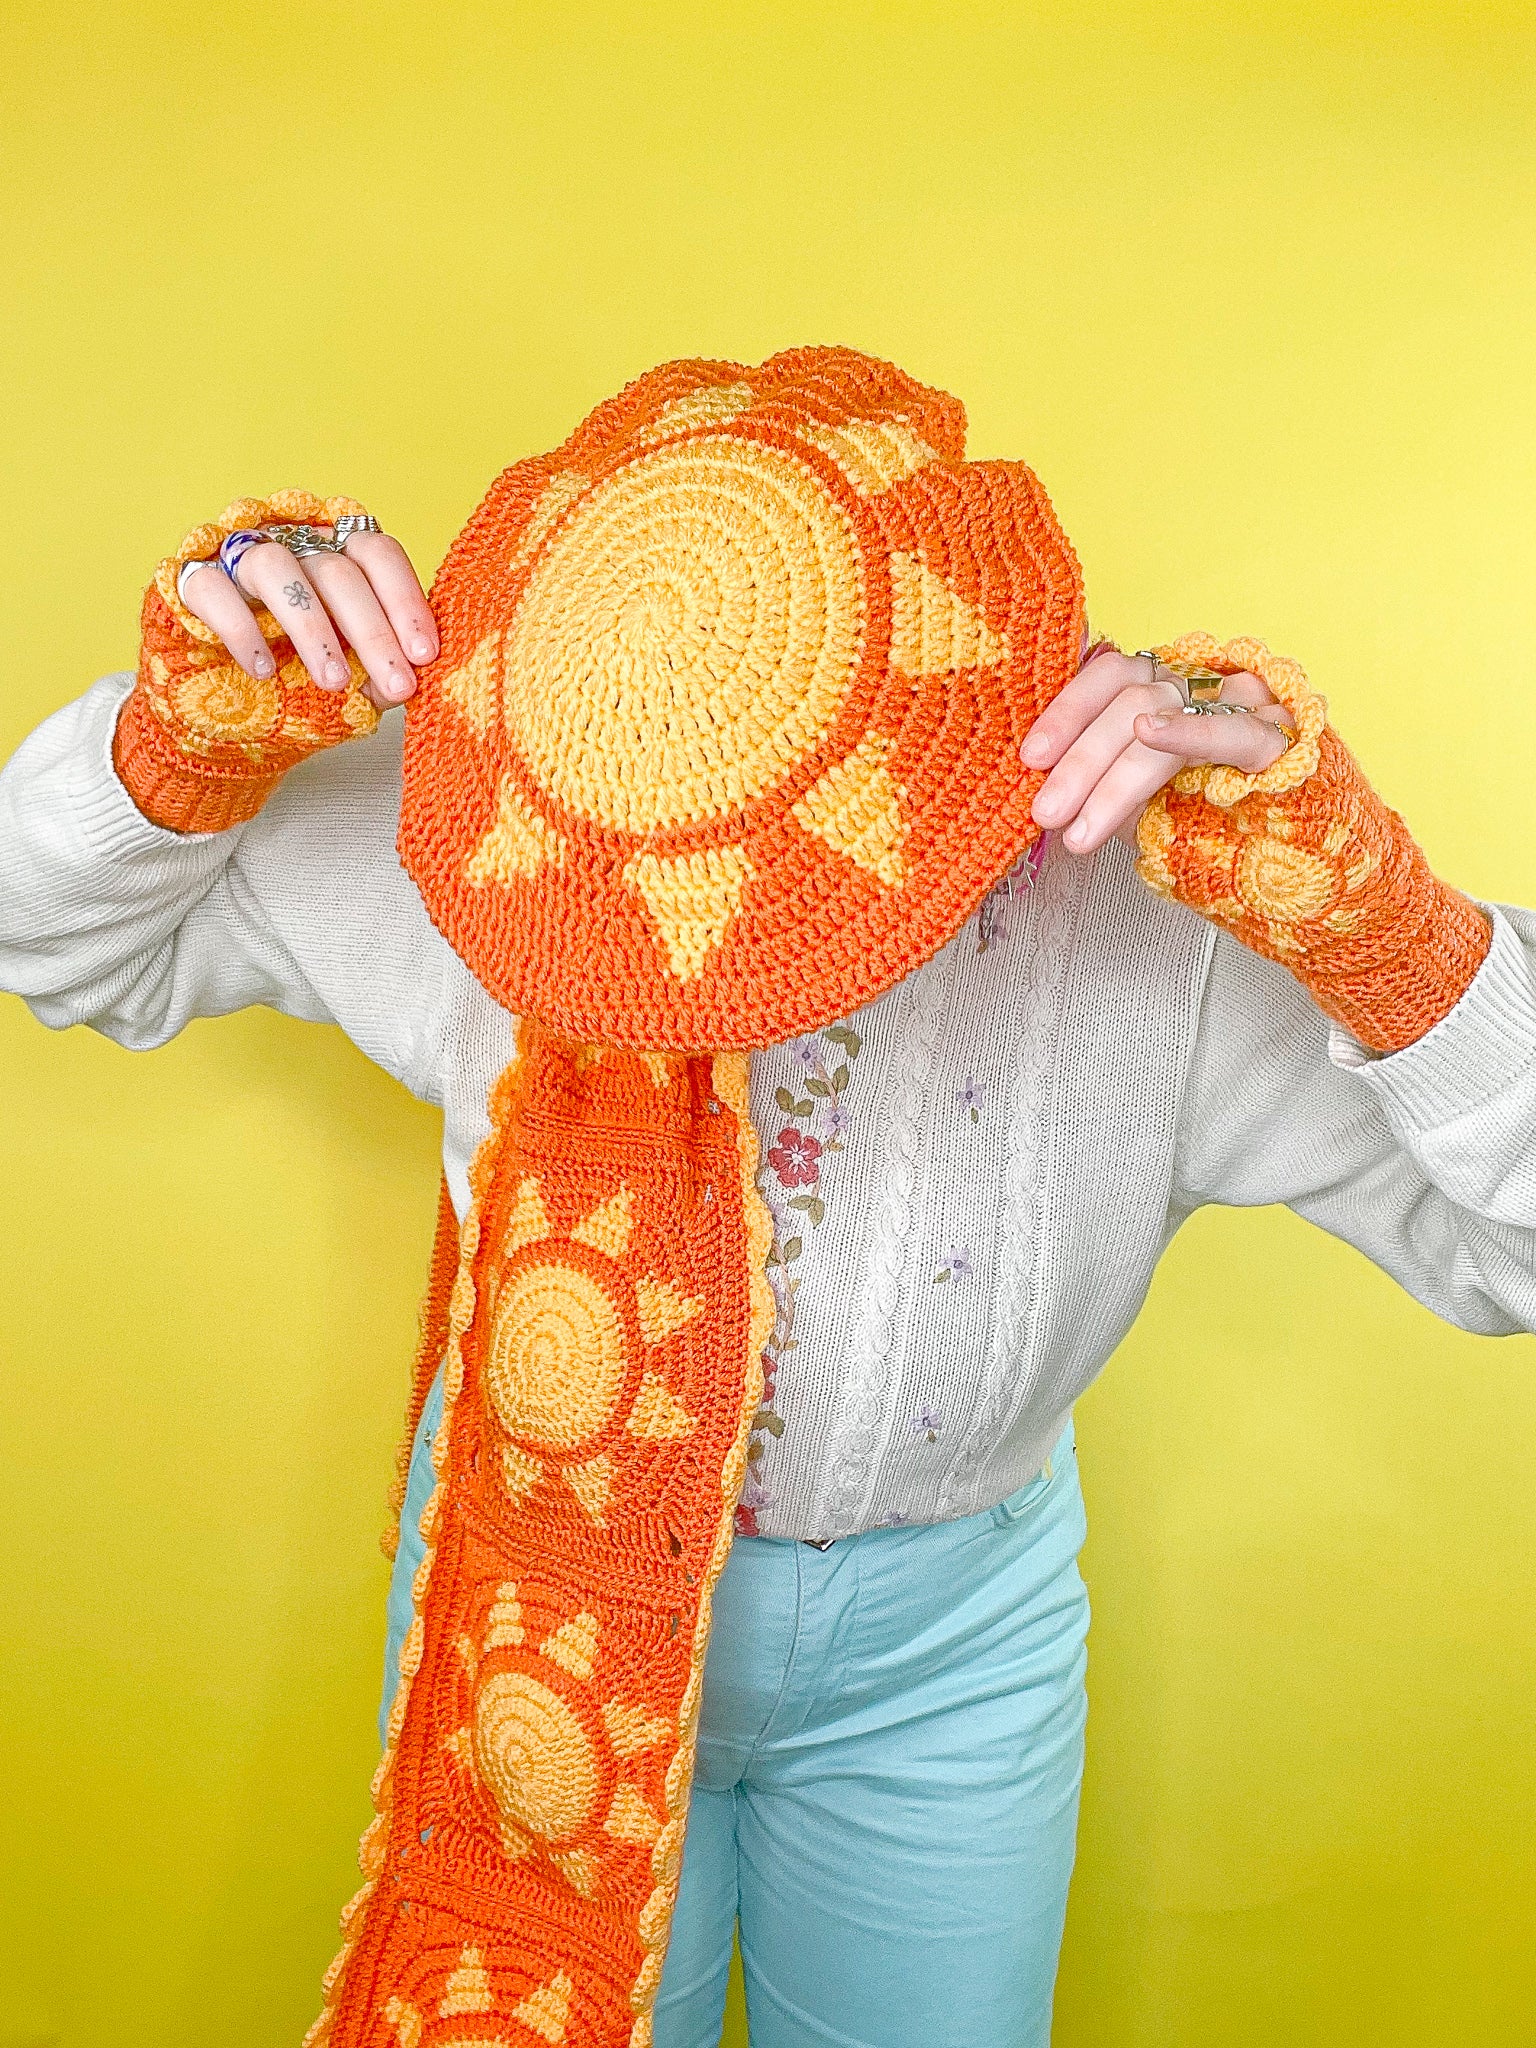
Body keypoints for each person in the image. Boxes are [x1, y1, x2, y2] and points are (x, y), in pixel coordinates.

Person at [2, 347, 1533, 2048]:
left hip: (953, 1651)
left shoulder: (1156, 911)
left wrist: (1391, 936)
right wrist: (180, 744)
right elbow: (55, 941)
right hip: (533, 1595)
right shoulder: (484, 824)